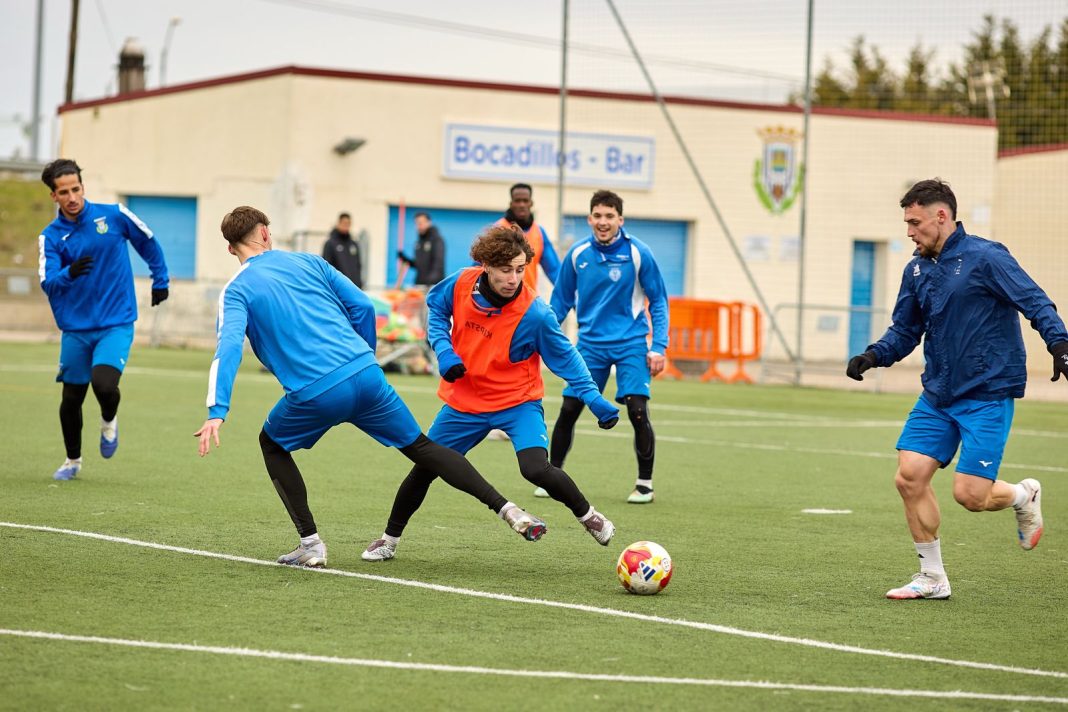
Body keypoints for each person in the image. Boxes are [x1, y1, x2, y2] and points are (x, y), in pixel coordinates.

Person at [195, 206, 547, 569]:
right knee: (422, 448)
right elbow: (362, 304)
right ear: (266, 234)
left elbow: (229, 346)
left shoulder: (235, 290)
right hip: (367, 375)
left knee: (271, 443)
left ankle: (311, 544)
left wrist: (217, 411)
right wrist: (365, 356)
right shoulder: (308, 261)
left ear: (230, 249)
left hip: (316, 392)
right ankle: (508, 509)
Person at [846, 178, 1068, 600]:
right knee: (909, 477)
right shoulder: (916, 268)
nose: (909, 232)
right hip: (938, 394)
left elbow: (1035, 301)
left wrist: (1059, 344)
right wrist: (874, 355)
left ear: (941, 216)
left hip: (986, 391)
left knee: (970, 495)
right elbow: (905, 329)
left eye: (915, 222)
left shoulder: (987, 257)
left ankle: (1023, 494)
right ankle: (932, 578)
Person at [360, 224, 621, 562]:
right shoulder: (461, 282)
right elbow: (435, 310)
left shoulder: (535, 313)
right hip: (465, 402)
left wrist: (593, 397)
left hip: (517, 402)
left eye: (519, 269)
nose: (513, 279)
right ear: (485, 265)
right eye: (504, 270)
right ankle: (388, 540)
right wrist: (444, 350)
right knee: (424, 468)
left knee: (535, 469)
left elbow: (567, 358)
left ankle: (588, 515)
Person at [37, 158, 169, 481]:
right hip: (76, 328)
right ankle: (72, 461)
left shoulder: (114, 215)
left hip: (116, 320)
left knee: (104, 384)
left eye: (76, 189)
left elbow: (148, 241)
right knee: (71, 399)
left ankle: (109, 420)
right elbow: (48, 281)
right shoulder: (51, 237)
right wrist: (70, 272)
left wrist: (160, 279)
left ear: (83, 187)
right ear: (54, 196)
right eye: (64, 192)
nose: (72, 197)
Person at [548, 190, 669, 504]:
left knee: (637, 410)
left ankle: (644, 484)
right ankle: (551, 475)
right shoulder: (577, 255)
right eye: (598, 216)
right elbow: (559, 302)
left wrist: (658, 346)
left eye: (609, 216)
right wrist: (543, 335)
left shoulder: (639, 253)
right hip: (590, 345)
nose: (603, 222)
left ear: (620, 220)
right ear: (590, 219)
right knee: (569, 408)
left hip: (631, 343)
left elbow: (658, 301)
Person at [495, 183, 561, 293]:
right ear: (511, 204)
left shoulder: (539, 233)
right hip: (500, 302)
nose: (522, 205)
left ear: (531, 203)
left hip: (528, 302)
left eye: (525, 201)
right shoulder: (497, 230)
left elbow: (555, 272)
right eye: (518, 201)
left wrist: (575, 302)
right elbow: (479, 268)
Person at [396, 211, 446, 287]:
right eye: (417, 223)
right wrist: (404, 258)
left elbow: (438, 263)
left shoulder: (437, 240)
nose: (419, 226)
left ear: (429, 222)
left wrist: (431, 282)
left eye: (421, 223)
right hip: (419, 284)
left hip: (433, 285)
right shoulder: (419, 242)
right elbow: (418, 264)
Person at [321, 212, 363, 288]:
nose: (346, 225)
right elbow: (326, 266)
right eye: (344, 223)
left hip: (353, 287)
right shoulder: (330, 244)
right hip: (337, 287)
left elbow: (358, 266)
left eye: (348, 223)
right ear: (338, 223)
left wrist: (359, 283)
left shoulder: (353, 244)